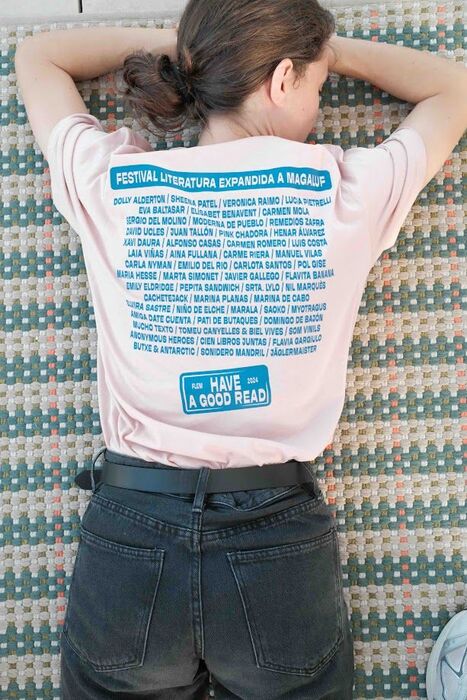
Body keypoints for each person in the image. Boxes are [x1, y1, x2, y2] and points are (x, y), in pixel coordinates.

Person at [14, 0, 467, 697]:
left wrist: (200, 50)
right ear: (283, 79)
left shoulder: (114, 184)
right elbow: (453, 89)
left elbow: (39, 57)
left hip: (133, 523)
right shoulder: (343, 190)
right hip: (273, 533)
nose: (320, 103)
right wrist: (331, 49)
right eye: (317, 84)